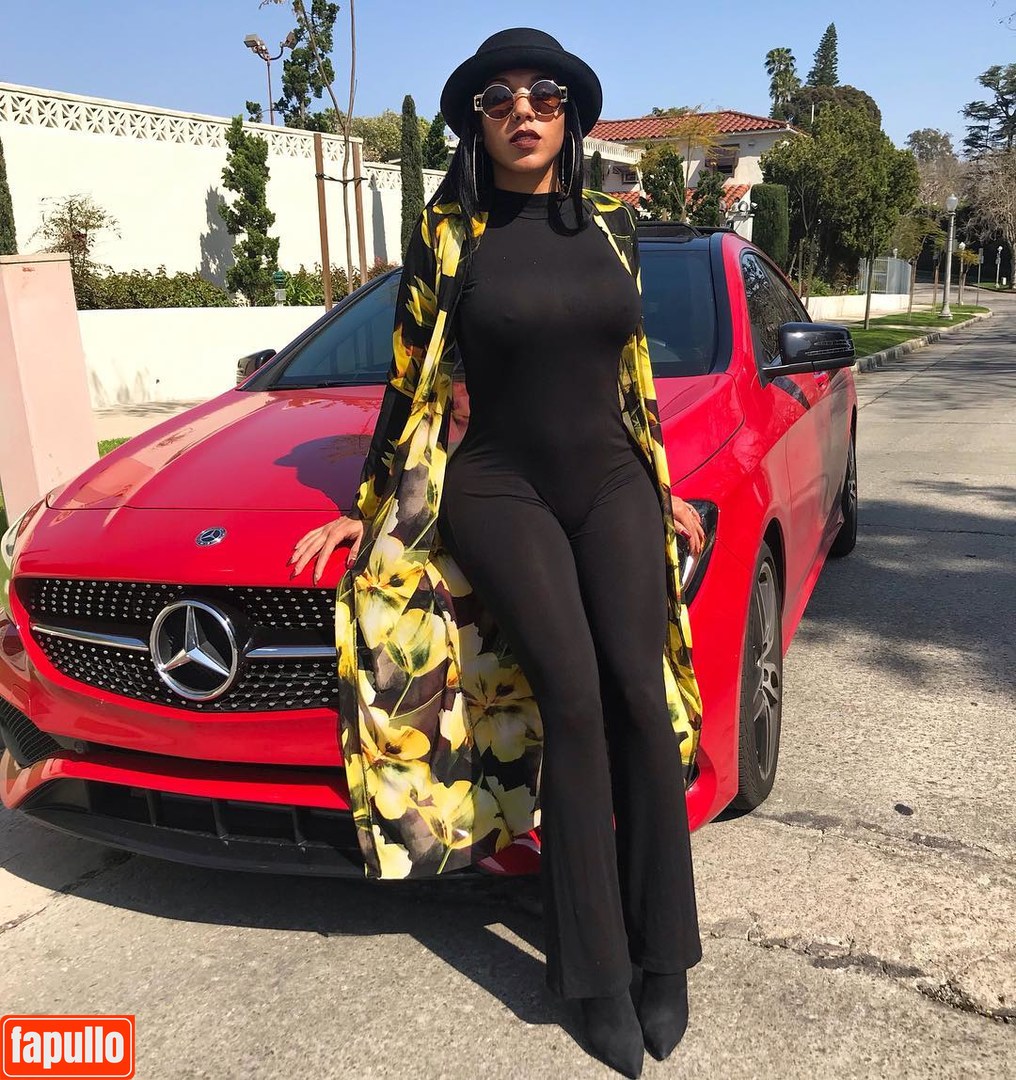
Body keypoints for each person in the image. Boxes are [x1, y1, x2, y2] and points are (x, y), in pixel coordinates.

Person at [290, 27, 705, 1079]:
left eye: (544, 94)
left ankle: (664, 955)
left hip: (612, 480)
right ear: (475, 124)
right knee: (572, 699)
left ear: (572, 117)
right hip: (498, 485)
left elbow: (632, 375)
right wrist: (367, 505)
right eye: (498, 97)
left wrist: (664, 489)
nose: (523, 109)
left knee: (637, 692)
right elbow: (407, 377)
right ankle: (593, 974)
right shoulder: (449, 231)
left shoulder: (614, 225)